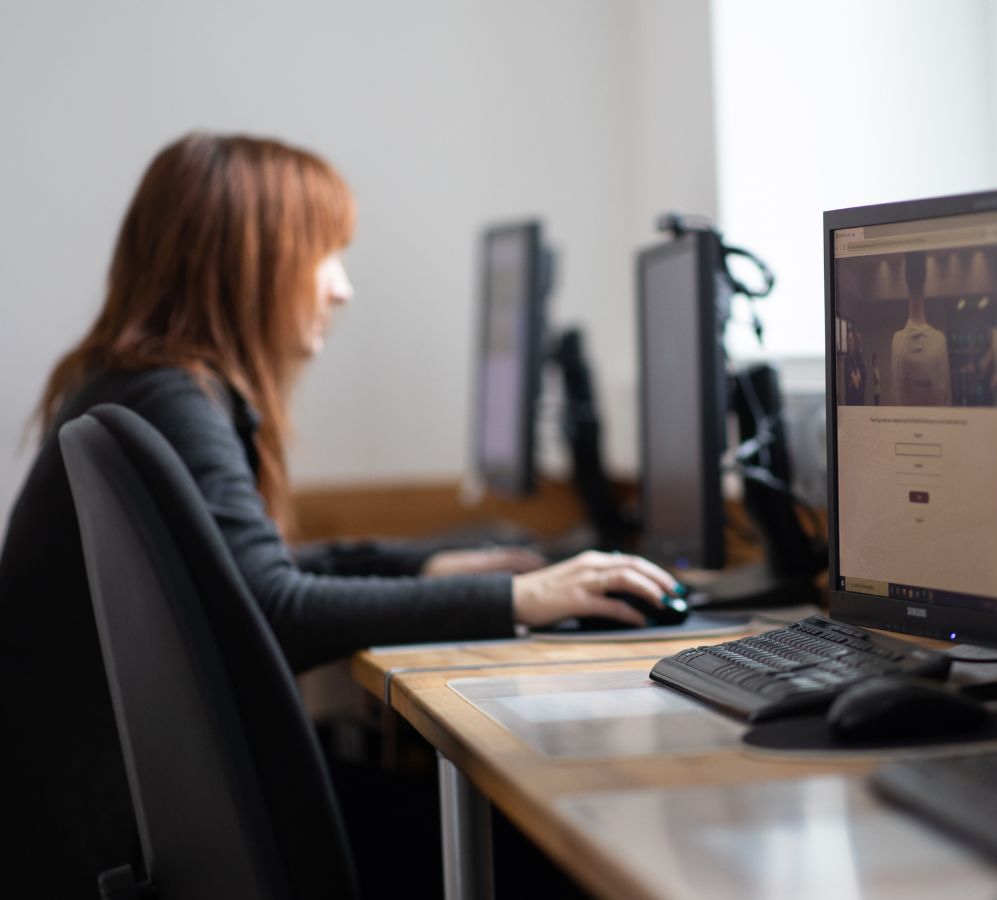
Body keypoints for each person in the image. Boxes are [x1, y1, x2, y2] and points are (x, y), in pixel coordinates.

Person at [0, 133, 679, 897]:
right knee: (544, 850)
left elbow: (246, 576)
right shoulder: (173, 399)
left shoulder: (133, 383)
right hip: (126, 836)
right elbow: (272, 607)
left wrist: (424, 565)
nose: (342, 288)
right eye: (324, 254)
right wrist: (522, 598)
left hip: (101, 829)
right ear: (250, 263)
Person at [890, 251, 951, 406]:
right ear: (926, 277)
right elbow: (946, 401)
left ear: (905, 277)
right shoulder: (939, 341)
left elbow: (895, 397)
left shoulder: (898, 342)